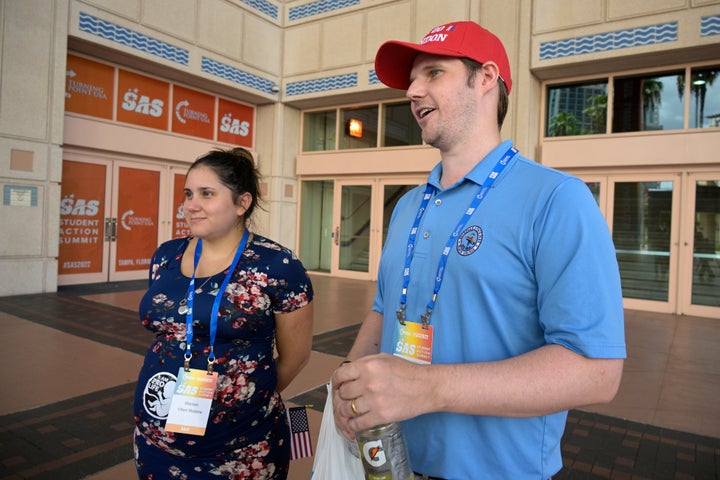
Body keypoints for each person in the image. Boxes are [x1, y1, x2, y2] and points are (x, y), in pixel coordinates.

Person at [332, 21, 626, 479]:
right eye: (412, 79)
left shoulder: (555, 199)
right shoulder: (408, 205)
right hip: (392, 462)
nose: (411, 90)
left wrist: (430, 388)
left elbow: (597, 371)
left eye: (432, 73)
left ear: (485, 78)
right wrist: (348, 375)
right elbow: (383, 307)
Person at [133, 147, 314, 479]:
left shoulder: (276, 265)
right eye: (188, 193)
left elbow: (295, 357)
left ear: (242, 203)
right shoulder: (166, 256)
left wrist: (247, 401)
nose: (191, 204)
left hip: (240, 451)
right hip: (155, 448)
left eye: (207, 194)